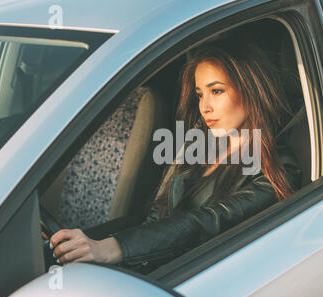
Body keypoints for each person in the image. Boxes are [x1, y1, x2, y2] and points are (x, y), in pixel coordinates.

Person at [49, 40, 302, 272]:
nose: (205, 107)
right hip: (153, 269)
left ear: (250, 89)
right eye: (200, 94)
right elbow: (155, 217)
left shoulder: (277, 170)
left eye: (216, 91)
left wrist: (112, 248)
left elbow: (203, 223)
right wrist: (93, 245)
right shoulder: (196, 143)